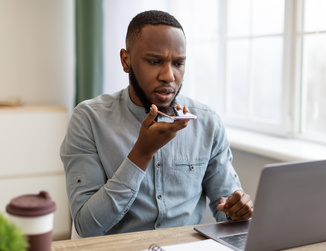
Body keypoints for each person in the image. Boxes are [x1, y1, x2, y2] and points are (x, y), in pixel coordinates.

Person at [60, 10, 253, 238]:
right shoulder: (88, 120)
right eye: (154, 61)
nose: (169, 76)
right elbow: (87, 226)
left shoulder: (207, 123)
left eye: (178, 63)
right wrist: (142, 153)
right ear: (126, 60)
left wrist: (236, 212)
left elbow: (225, 211)